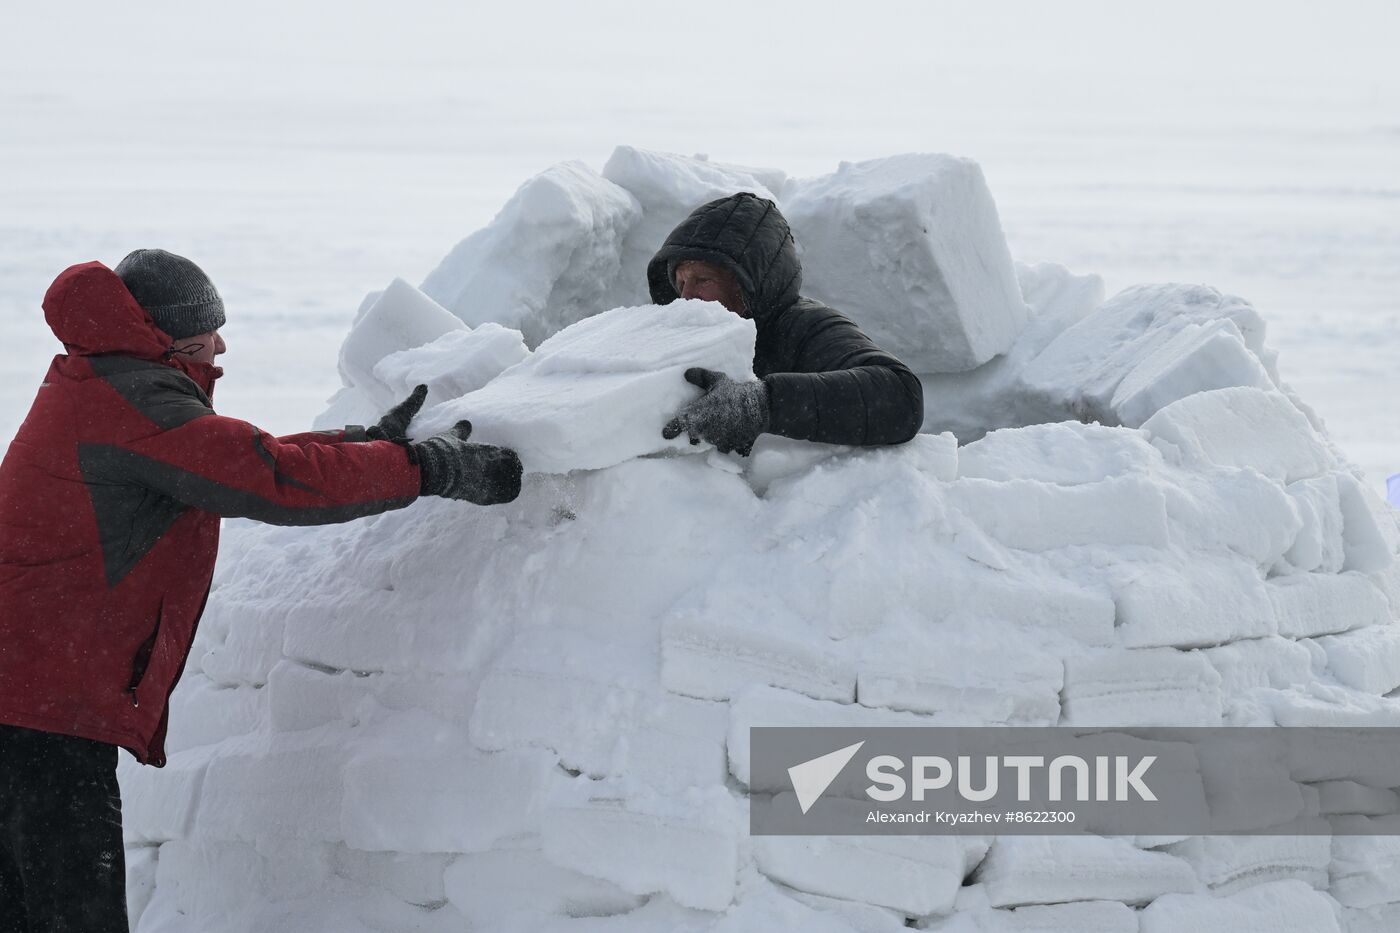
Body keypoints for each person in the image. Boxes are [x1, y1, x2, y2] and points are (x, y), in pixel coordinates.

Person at [0, 250, 521, 931]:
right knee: (71, 911)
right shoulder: (135, 399)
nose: (221, 345)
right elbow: (265, 476)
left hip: (27, 689)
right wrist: (425, 469)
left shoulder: (102, 378)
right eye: (207, 331)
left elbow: (226, 455)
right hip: (40, 705)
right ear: (167, 337)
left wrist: (362, 444)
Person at [649, 192, 924, 455]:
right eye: (681, 282)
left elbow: (901, 396)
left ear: (747, 284)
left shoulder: (806, 325)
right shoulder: (676, 336)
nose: (685, 297)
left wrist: (761, 405)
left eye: (703, 280)